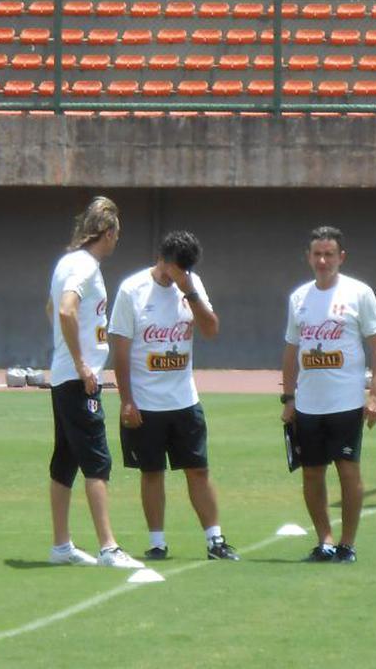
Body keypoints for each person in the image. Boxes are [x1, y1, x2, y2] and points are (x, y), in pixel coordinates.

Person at [109, 230, 239, 561]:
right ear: (162, 260)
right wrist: (126, 400)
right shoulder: (132, 290)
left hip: (184, 400)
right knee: (152, 472)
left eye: (186, 269)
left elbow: (211, 330)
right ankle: (157, 543)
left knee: (198, 470)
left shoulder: (192, 285)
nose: (179, 275)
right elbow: (120, 349)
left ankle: (215, 540)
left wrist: (189, 291)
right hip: (145, 403)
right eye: (176, 268)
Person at [45, 196, 144, 569]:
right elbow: (65, 309)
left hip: (65, 376)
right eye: (117, 232)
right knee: (97, 462)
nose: (118, 239)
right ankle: (108, 548)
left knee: (65, 461)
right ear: (107, 231)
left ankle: (61, 546)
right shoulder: (84, 266)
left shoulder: (66, 262)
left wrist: (66, 351)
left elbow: (51, 309)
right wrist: (82, 363)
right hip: (78, 380)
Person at [280, 226, 376, 564]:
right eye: (317, 254)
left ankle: (347, 544)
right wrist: (289, 399)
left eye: (329, 254)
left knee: (347, 469)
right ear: (308, 257)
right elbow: (291, 350)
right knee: (312, 472)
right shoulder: (299, 298)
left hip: (346, 402)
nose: (323, 261)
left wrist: (375, 395)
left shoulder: (359, 293)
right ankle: (324, 541)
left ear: (341, 257)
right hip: (309, 404)